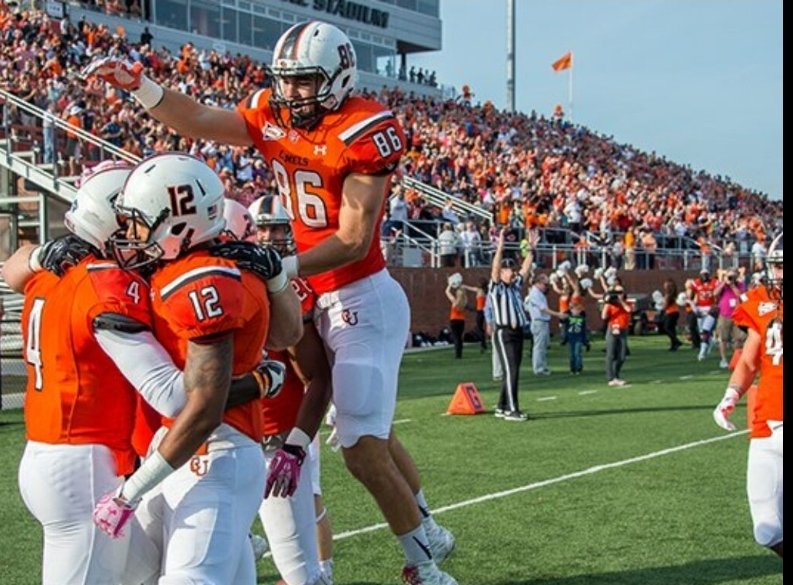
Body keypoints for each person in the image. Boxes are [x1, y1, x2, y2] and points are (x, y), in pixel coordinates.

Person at [84, 22, 457, 583]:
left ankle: (424, 562)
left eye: (305, 82)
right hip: (309, 285)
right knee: (365, 427)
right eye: (286, 82)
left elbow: (354, 239)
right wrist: (143, 88)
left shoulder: (362, 127)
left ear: (338, 77)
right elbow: (204, 121)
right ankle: (426, 525)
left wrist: (283, 267)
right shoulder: (273, 114)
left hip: (359, 292)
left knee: (359, 446)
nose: (293, 94)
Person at [2, 163, 284, 585]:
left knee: (149, 569)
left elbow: (12, 269)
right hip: (85, 460)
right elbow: (176, 397)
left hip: (49, 454)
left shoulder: (46, 271)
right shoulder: (106, 281)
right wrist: (257, 382)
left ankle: (230, 546)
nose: (132, 239)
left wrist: (39, 253)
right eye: (126, 226)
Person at [90, 153, 292, 584]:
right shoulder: (188, 266)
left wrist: (130, 492)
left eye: (138, 223)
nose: (130, 234)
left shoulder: (203, 280)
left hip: (214, 451)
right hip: (183, 450)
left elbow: (203, 408)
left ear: (178, 226)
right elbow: (283, 337)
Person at [245, 193, 335, 585]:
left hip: (280, 433)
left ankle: (321, 568)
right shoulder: (234, 278)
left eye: (278, 228)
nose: (269, 236)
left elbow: (317, 372)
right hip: (233, 437)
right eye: (262, 228)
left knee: (300, 566)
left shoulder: (293, 287)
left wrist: (296, 442)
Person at [712, 232, 782, 558]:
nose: (779, 274)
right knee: (766, 530)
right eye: (777, 267)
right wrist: (731, 393)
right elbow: (751, 358)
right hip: (767, 423)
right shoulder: (763, 300)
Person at [488, 228, 534, 421]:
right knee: (511, 370)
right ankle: (512, 410)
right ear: (503, 271)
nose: (514, 273)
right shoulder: (497, 287)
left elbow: (526, 269)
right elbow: (494, 270)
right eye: (510, 270)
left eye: (514, 270)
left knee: (512, 370)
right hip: (504, 332)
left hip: (517, 332)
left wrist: (531, 250)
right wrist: (500, 248)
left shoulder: (515, 286)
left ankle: (501, 406)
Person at [525, 273, 565, 376]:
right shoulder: (535, 294)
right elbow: (543, 309)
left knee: (543, 346)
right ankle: (539, 368)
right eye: (545, 284)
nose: (546, 287)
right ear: (538, 283)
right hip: (539, 321)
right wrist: (558, 314)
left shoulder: (538, 293)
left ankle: (542, 366)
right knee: (539, 346)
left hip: (542, 322)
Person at [713, 267, 747, 369]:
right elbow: (715, 293)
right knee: (723, 338)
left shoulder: (740, 285)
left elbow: (740, 296)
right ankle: (723, 359)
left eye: (733, 275)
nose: (731, 278)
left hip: (737, 315)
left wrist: (732, 285)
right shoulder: (722, 285)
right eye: (730, 275)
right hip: (724, 315)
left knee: (739, 339)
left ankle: (735, 358)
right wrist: (724, 282)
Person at [601, 285, 632, 386]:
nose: (619, 294)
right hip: (613, 329)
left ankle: (616, 374)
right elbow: (604, 316)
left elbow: (628, 310)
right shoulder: (611, 304)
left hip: (623, 330)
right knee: (610, 354)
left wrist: (621, 301)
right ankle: (611, 378)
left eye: (620, 292)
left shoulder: (627, 302)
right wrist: (607, 303)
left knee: (622, 355)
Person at [690, 267, 719, 361]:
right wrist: (694, 308)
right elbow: (692, 297)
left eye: (706, 274)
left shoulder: (714, 282)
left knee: (705, 331)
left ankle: (702, 352)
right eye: (703, 274)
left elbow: (719, 295)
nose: (704, 276)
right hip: (700, 309)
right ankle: (710, 344)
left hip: (711, 309)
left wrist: (715, 306)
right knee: (702, 332)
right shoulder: (696, 283)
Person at [445, 272, 467, 359]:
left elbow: (447, 292)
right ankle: (460, 353)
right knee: (460, 337)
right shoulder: (464, 301)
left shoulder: (454, 302)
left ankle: (457, 354)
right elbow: (463, 294)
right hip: (462, 320)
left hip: (454, 320)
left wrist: (450, 285)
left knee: (456, 337)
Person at [565, 302, 588, 374]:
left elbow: (584, 330)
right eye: (573, 310)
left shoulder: (582, 319)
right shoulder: (568, 318)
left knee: (577, 353)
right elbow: (566, 328)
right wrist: (565, 338)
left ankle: (578, 368)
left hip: (579, 338)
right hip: (571, 338)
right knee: (572, 354)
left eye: (577, 310)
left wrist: (585, 341)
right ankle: (572, 368)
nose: (575, 311)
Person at [660, 278, 683, 351]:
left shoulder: (668, 295)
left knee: (667, 328)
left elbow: (665, 306)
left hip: (670, 313)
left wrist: (660, 306)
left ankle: (676, 341)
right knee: (672, 329)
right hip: (675, 312)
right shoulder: (672, 294)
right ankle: (673, 345)